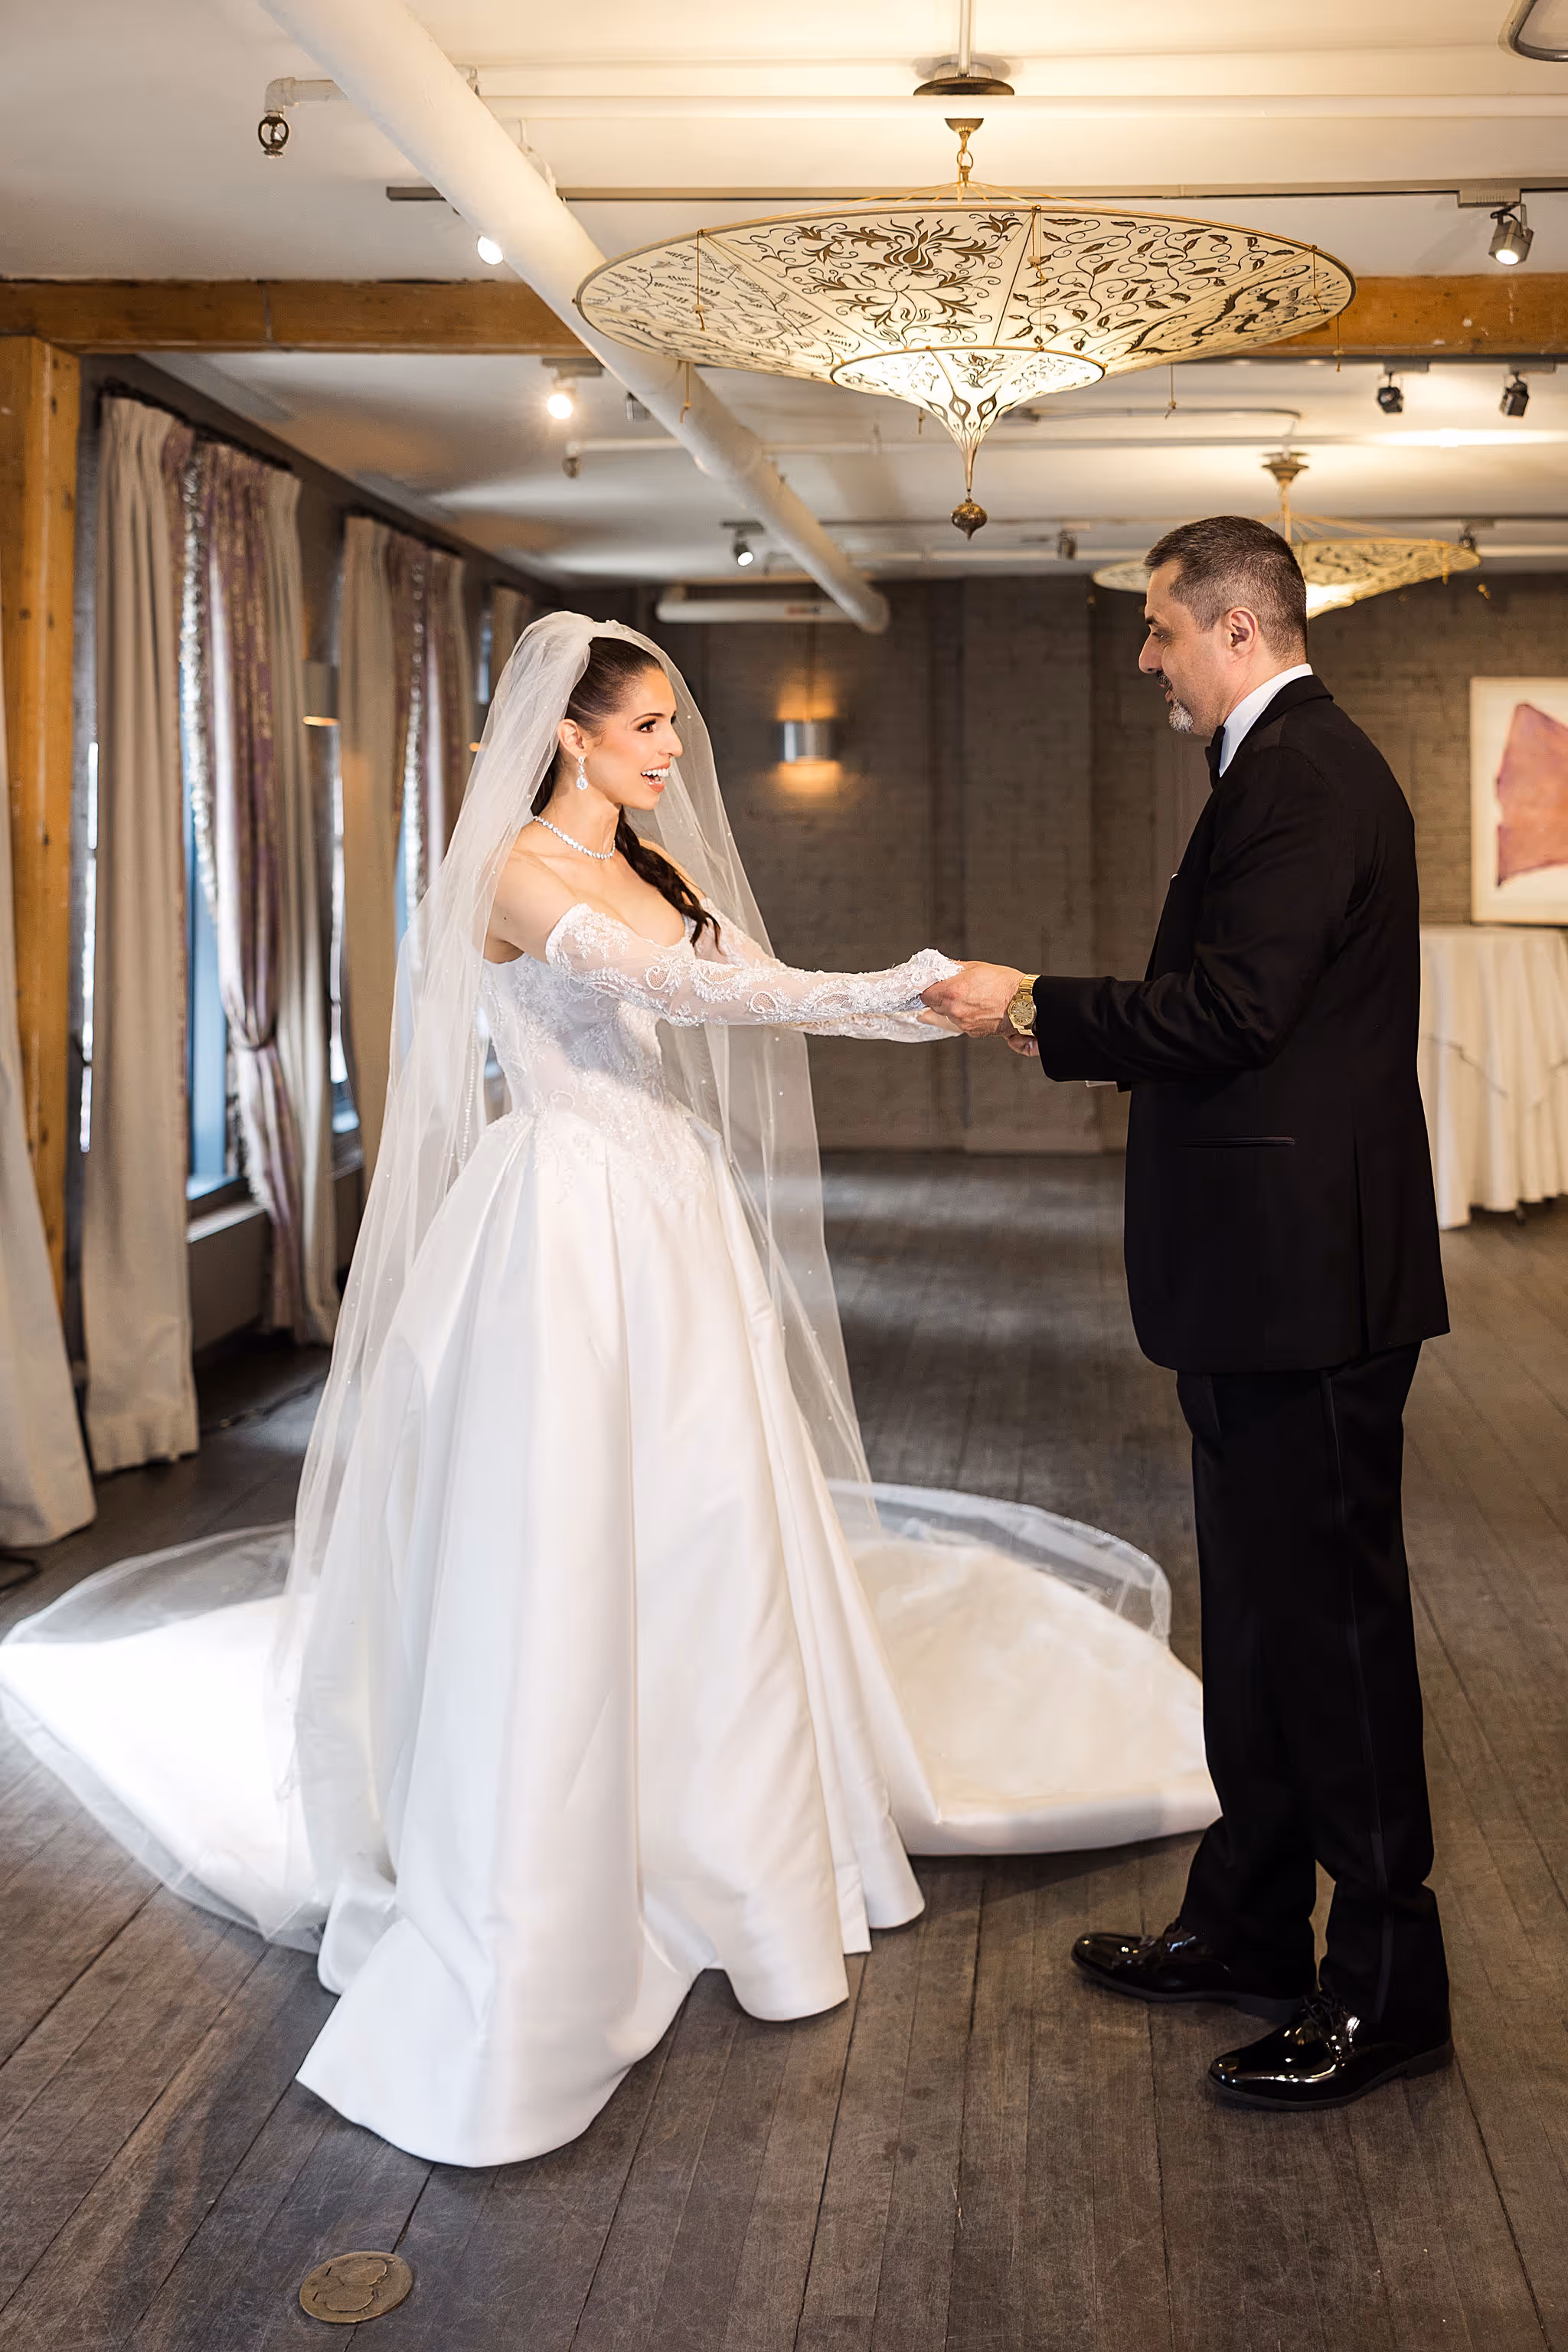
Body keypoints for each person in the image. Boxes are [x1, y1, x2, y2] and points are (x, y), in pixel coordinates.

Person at [0, 614, 1215, 2167]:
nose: (669, 755)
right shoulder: (514, 868)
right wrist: (896, 976)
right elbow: (691, 1000)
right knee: (570, 1520)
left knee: (707, 1515)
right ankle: (554, 1831)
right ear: (571, 736)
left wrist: (911, 1003)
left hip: (668, 1216)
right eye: (649, 730)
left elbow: (747, 981)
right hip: (567, 1217)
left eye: (670, 734)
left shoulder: (655, 871)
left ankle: (731, 1822)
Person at [924, 518, 1452, 2113]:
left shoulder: (1297, 773)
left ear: (1232, 626)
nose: (1144, 657)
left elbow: (1235, 1010)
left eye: (1157, 630)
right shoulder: (1278, 765)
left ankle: (1385, 1992)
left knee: (1333, 1640)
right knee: (1268, 1625)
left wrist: (1032, 1005)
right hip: (1264, 1277)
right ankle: (1245, 1928)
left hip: (1306, 1284)